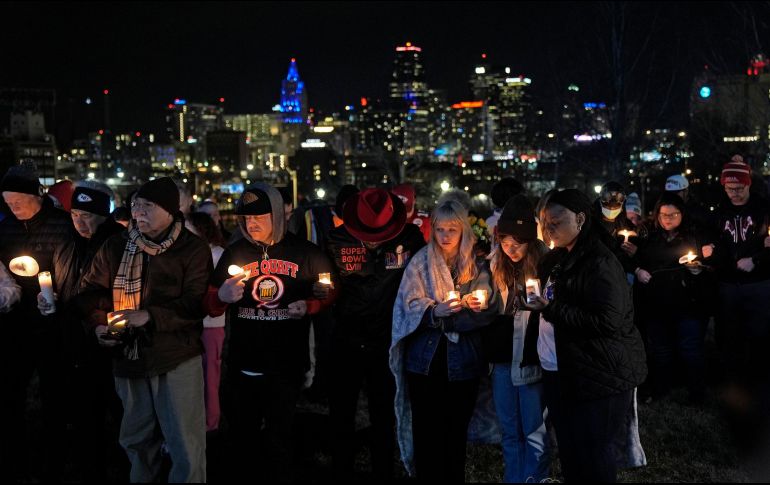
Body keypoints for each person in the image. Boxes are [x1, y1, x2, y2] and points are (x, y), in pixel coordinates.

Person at [77, 176, 211, 483]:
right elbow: (90, 293)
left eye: (147, 206)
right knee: (136, 440)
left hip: (176, 355)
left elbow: (195, 304)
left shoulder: (192, 248)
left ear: (169, 210)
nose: (137, 212)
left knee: (185, 443)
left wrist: (148, 316)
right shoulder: (116, 245)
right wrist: (98, 325)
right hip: (128, 356)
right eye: (135, 205)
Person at [205, 183, 336, 483]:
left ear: (277, 215)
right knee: (243, 439)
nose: (251, 223)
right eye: (246, 218)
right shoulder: (235, 252)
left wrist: (312, 304)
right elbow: (209, 304)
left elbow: (329, 290)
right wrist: (221, 297)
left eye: (259, 217)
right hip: (244, 362)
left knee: (280, 439)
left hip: (286, 364)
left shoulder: (305, 252)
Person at [527, 188, 647, 482]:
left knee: (593, 453)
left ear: (580, 219)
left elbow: (608, 321)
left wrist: (551, 309)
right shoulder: (556, 258)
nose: (549, 229)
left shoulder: (600, 262)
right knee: (570, 449)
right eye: (545, 223)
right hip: (561, 369)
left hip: (597, 373)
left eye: (556, 222)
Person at [390, 198, 497, 482]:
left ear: (463, 230)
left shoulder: (477, 264)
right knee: (427, 433)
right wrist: (432, 311)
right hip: (424, 362)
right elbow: (408, 303)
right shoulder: (420, 263)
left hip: (463, 363)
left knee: (455, 433)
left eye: (452, 229)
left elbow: (487, 307)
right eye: (440, 229)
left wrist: (467, 308)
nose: (445, 236)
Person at [326, 188, 425, 482]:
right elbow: (324, 280)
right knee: (341, 412)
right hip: (346, 337)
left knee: (384, 413)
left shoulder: (411, 239)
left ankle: (383, 470)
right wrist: (321, 291)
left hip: (387, 341)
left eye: (378, 234)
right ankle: (341, 469)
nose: (372, 240)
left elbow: (426, 270)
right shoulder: (335, 240)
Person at [0, 163, 78, 482]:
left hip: (53, 324)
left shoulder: (62, 225)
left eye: (18, 201)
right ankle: (15, 459)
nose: (13, 207)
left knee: (54, 394)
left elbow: (72, 272)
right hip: (15, 322)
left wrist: (56, 296)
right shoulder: (5, 226)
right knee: (10, 392)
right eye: (8, 203)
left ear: (37, 196)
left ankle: (55, 460)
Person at [63, 180, 127, 482]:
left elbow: (118, 293)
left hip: (109, 340)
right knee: (85, 414)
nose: (79, 222)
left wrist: (100, 321)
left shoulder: (116, 243)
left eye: (86, 215)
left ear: (103, 215)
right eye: (75, 214)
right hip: (79, 341)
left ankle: (125, 467)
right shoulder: (71, 242)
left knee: (118, 410)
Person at [704, 155, 770, 448]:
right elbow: (714, 244)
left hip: (759, 283)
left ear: (748, 184)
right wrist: (711, 254)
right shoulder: (719, 212)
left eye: (739, 187)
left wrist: (757, 259)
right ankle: (732, 385)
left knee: (760, 334)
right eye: (729, 188)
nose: (734, 193)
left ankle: (759, 384)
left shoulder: (763, 209)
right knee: (729, 334)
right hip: (728, 284)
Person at [484, 195, 551, 483]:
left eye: (518, 243)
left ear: (530, 241)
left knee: (534, 429)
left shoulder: (546, 265)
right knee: (509, 430)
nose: (510, 249)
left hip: (530, 355)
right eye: (505, 242)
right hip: (502, 356)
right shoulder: (493, 265)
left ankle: (534, 477)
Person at [632, 192, 713, 404]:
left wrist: (697, 270)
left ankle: (697, 393)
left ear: (682, 214)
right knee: (661, 349)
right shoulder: (650, 237)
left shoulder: (693, 236)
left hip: (687, 303)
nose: (667, 219)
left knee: (690, 348)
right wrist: (639, 270)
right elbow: (638, 260)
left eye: (673, 214)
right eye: (663, 215)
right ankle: (662, 390)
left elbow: (709, 264)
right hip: (657, 303)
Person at [188, 211, 227, 432]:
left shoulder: (218, 255)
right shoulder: (193, 254)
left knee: (210, 374)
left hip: (211, 324)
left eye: (189, 230)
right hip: (191, 323)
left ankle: (211, 421)